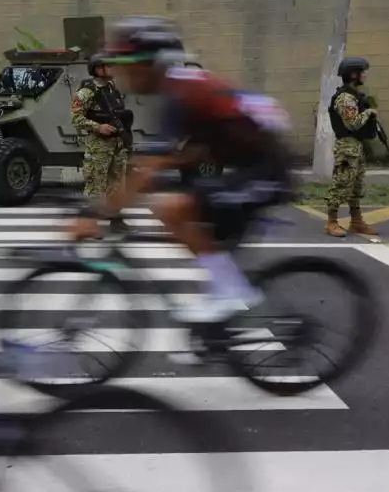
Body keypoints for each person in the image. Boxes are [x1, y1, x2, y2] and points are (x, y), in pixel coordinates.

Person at [67, 16, 294, 324]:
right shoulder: (180, 87)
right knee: (183, 218)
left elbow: (154, 166)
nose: (121, 72)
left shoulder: (182, 91)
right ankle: (219, 303)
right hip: (247, 164)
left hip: (266, 171)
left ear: (150, 64)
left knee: (171, 209)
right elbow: (180, 154)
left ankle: (231, 291)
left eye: (126, 63)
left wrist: (95, 213)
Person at [72, 53, 132, 233]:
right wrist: (98, 127)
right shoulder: (86, 92)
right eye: (109, 66)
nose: (113, 69)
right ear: (99, 69)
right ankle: (91, 225)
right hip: (98, 146)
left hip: (116, 145)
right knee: (95, 186)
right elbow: (76, 118)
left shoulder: (113, 89)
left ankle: (116, 220)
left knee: (117, 185)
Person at [323, 57, 378, 238]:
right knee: (341, 184)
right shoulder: (346, 98)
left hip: (356, 146)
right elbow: (352, 124)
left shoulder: (354, 95)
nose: (365, 75)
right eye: (362, 72)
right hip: (347, 147)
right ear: (354, 74)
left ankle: (356, 221)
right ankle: (332, 222)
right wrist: (369, 112)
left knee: (356, 185)